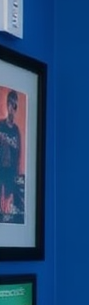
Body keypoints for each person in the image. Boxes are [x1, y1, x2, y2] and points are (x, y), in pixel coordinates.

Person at [0, 90, 22, 218]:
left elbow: (18, 155)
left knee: (7, 206)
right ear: (7, 105)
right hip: (0, 167)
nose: (12, 108)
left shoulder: (16, 131)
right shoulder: (0, 126)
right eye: (10, 104)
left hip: (11, 171)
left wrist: (17, 174)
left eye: (15, 106)